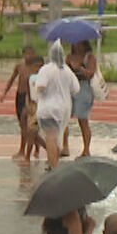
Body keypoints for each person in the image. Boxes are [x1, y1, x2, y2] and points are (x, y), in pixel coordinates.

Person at [30, 41, 82, 170]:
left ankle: (54, 166)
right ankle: (52, 163)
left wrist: (38, 88)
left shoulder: (46, 69)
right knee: (57, 137)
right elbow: (76, 89)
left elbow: (41, 87)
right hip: (63, 110)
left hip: (48, 109)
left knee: (51, 137)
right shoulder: (67, 71)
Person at [0, 43, 43, 162]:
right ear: (23, 55)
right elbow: (11, 80)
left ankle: (28, 148)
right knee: (23, 125)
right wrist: (4, 93)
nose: (29, 56)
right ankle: (31, 147)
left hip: (30, 98)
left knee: (28, 124)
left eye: (32, 54)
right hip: (19, 96)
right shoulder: (19, 67)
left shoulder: (37, 68)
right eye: (27, 54)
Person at [65, 39, 98, 159]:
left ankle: (86, 149)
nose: (76, 45)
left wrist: (79, 68)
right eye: (75, 43)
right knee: (64, 117)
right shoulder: (70, 56)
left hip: (84, 88)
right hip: (71, 88)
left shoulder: (89, 57)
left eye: (79, 43)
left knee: (83, 120)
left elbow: (91, 73)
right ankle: (64, 146)